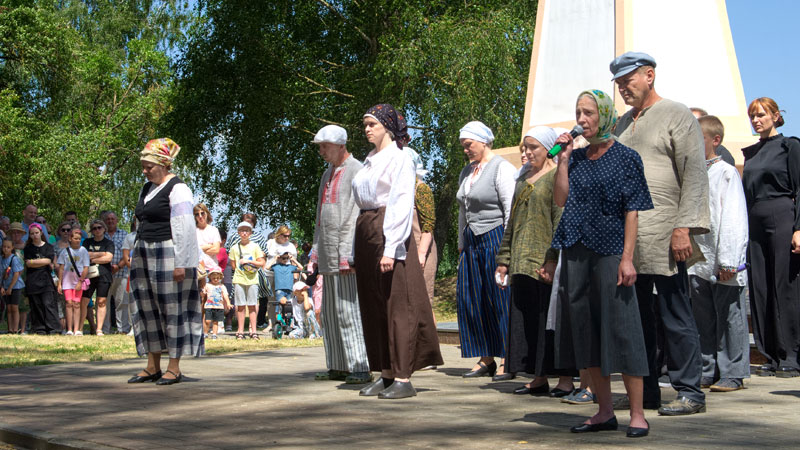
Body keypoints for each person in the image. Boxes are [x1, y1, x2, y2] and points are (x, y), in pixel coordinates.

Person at [611, 51, 710, 416]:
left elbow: (695, 175)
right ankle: (646, 393)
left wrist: (683, 227)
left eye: (628, 80)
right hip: (628, 241)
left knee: (675, 314)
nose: (623, 88)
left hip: (667, 233)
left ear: (649, 75)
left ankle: (690, 392)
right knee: (635, 321)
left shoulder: (677, 114)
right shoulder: (621, 123)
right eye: (619, 83)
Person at [552, 89, 654, 437]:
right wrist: (563, 159)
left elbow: (633, 210)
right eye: (578, 113)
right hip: (577, 251)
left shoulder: (627, 158)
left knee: (623, 328)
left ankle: (637, 413)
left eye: (589, 113)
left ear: (605, 115)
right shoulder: (576, 158)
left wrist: (628, 258)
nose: (582, 120)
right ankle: (604, 411)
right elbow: (560, 198)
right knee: (585, 331)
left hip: (611, 252)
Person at [352, 103, 443, 399]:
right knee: (373, 303)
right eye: (365, 125)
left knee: (396, 304)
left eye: (372, 125)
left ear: (388, 127)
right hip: (366, 227)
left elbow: (401, 203)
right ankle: (386, 372)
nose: (367, 129)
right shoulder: (369, 159)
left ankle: (404, 376)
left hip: (386, 229)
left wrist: (391, 248)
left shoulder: (400, 158)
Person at [495, 126, 575, 394]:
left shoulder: (556, 177)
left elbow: (560, 220)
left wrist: (552, 259)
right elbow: (512, 222)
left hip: (544, 261)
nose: (527, 152)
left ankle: (564, 380)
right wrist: (504, 259)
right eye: (524, 148)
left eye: (533, 147)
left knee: (550, 322)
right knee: (528, 320)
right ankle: (538, 377)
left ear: (549, 148)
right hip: (522, 260)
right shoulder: (522, 179)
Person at [128, 137, 202, 386]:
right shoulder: (147, 188)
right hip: (144, 253)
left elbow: (184, 227)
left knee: (172, 309)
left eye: (149, 166)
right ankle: (152, 366)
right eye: (143, 165)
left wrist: (182, 262)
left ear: (164, 164)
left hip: (169, 253)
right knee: (147, 308)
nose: (145, 170)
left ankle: (174, 367)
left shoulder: (178, 188)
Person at [688, 115, 750, 391]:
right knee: (703, 318)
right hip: (698, 260)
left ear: (715, 140)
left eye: (698, 138)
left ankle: (733, 371)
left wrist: (729, 259)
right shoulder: (691, 173)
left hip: (721, 258)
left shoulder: (726, 172)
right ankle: (707, 367)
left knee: (729, 316)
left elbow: (734, 217)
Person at [742, 97, 800, 377]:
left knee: (784, 285)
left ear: (776, 116)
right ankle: (771, 354)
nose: (756, 120)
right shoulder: (751, 153)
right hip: (755, 218)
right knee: (761, 286)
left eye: (761, 115)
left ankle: (792, 353)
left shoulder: (790, 146)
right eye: (752, 116)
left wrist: (799, 228)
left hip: (782, 215)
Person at [309, 124, 371, 384]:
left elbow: (355, 214)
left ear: (340, 145)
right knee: (331, 312)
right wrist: (314, 249)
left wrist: (349, 252)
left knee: (349, 310)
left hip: (346, 251)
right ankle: (337, 364)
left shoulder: (357, 170)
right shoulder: (326, 174)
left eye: (325, 146)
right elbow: (320, 215)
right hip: (326, 250)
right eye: (320, 146)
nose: (321, 151)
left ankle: (360, 365)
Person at [455, 120, 516, 379]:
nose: (466, 149)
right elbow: (462, 211)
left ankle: (507, 358)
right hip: (472, 240)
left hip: (495, 236)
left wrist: (507, 249)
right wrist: (461, 244)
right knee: (473, 298)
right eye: (463, 146)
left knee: (499, 297)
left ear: (483, 141)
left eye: (468, 144)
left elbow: (510, 209)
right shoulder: (467, 172)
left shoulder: (502, 168)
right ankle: (486, 357)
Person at [404, 147, 438, 323]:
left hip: (420, 250)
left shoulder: (421, 189)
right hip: (403, 252)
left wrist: (421, 254)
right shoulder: (397, 191)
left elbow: (428, 225)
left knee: (423, 302)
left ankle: (430, 348)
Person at [229, 221, 265, 340]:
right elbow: (233, 265)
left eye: (247, 231)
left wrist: (249, 262)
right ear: (239, 232)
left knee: (252, 305)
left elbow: (261, 262)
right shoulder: (234, 248)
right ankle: (240, 331)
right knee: (240, 306)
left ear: (250, 233)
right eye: (242, 231)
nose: (244, 233)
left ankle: (253, 331)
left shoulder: (255, 246)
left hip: (252, 279)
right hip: (239, 279)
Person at [23, 223, 59, 334]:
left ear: (41, 233)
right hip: (32, 280)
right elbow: (28, 263)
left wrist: (34, 262)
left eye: (36, 233)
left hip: (46, 280)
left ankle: (54, 328)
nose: (35, 235)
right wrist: (40, 262)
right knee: (36, 305)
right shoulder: (28, 248)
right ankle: (40, 328)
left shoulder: (48, 247)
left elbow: (48, 260)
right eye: (32, 234)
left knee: (48, 304)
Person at [82, 219, 114, 336]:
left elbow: (109, 258)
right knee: (84, 301)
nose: (97, 230)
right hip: (88, 275)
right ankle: (79, 328)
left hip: (104, 274)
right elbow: (84, 255)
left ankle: (99, 329)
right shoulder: (87, 242)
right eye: (94, 228)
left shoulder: (108, 243)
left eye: (99, 227)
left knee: (101, 301)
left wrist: (92, 257)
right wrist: (102, 254)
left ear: (104, 229)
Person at [56, 227, 90, 335]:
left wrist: (81, 281)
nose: (78, 240)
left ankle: (77, 329)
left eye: (79, 239)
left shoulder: (83, 250)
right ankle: (69, 329)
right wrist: (60, 283)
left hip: (78, 280)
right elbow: (61, 267)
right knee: (68, 303)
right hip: (67, 280)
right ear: (70, 239)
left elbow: (86, 267)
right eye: (75, 238)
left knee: (76, 303)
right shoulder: (65, 251)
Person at [103, 211, 129, 334]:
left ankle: (122, 329)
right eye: (108, 219)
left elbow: (127, 254)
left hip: (121, 273)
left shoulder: (124, 234)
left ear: (117, 220)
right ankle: (105, 329)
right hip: (104, 274)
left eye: (112, 219)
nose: (110, 221)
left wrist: (118, 266)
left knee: (122, 302)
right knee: (104, 302)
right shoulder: (101, 234)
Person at [267, 252, 303, 338]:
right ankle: (278, 322)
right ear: (280, 258)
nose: (285, 260)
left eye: (286, 258)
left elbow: (301, 268)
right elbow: (267, 267)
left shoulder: (291, 267)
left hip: (289, 289)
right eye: (283, 258)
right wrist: (275, 259)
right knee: (279, 306)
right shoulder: (276, 266)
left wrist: (293, 259)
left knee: (289, 308)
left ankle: (289, 324)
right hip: (280, 289)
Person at [7, 222, 29, 334]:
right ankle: (11, 328)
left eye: (18, 232)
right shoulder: (7, 247)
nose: (16, 235)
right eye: (13, 232)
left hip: (23, 278)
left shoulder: (26, 247)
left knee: (23, 305)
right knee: (11, 305)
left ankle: (23, 328)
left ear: (21, 234)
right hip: (9, 279)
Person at [1, 238, 25, 334]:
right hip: (5, 286)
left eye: (8, 247)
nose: (6, 249)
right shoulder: (1, 259)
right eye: (4, 247)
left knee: (14, 307)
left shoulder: (14, 259)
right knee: (9, 307)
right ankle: (10, 329)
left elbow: (16, 274)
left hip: (16, 287)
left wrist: (10, 287)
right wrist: (2, 286)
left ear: (12, 248)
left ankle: (16, 329)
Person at [203, 267, 230, 339]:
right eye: (214, 278)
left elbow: (225, 295)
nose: (215, 279)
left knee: (216, 321)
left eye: (217, 278)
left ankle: (214, 334)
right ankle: (205, 332)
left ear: (220, 278)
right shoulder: (207, 285)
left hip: (219, 306)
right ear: (210, 277)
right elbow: (203, 294)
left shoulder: (222, 286)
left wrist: (228, 303)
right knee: (207, 321)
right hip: (209, 306)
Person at [194, 203, 221, 272]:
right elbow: (192, 251)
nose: (200, 216)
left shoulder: (214, 230)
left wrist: (199, 249)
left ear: (207, 214)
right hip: (198, 269)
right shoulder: (192, 231)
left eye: (202, 213)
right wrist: (209, 246)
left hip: (212, 270)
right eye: (197, 214)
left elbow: (216, 250)